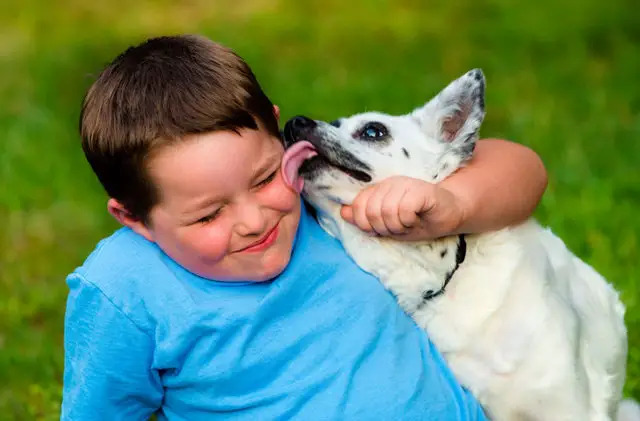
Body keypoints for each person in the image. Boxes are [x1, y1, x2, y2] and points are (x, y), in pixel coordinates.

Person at [62, 35, 547, 420]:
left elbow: (524, 170)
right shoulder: (126, 288)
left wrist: (454, 204)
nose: (255, 221)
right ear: (134, 217)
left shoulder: (314, 198)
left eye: (264, 177)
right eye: (209, 215)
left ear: (275, 132)